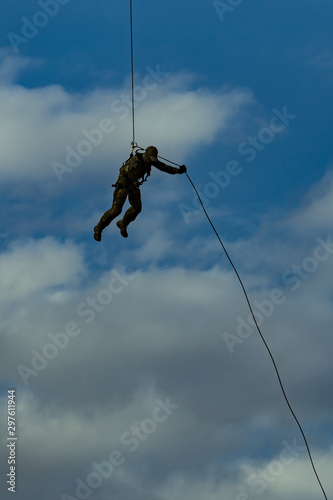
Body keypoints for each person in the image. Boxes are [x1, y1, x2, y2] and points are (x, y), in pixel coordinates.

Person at [93, 146, 187, 240]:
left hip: (133, 185)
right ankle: (98, 228)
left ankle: (123, 223)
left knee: (137, 208)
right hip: (124, 184)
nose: (151, 161)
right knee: (116, 210)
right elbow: (122, 170)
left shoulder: (151, 161)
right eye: (150, 159)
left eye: (152, 159)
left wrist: (178, 171)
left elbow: (163, 167)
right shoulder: (136, 159)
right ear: (146, 155)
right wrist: (130, 168)